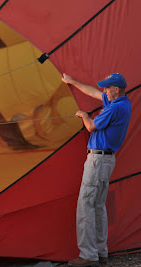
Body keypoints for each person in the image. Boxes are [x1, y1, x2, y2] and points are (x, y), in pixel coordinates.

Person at [62, 73, 132, 267]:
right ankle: (101, 252)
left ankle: (87, 256)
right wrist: (73, 81)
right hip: (106, 161)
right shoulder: (123, 103)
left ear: (116, 89)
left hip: (97, 161)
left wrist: (84, 115)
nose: (104, 91)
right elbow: (93, 92)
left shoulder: (114, 108)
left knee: (86, 205)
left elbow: (92, 127)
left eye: (107, 88)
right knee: (99, 206)